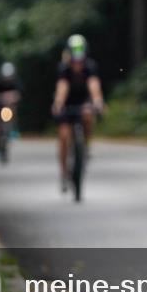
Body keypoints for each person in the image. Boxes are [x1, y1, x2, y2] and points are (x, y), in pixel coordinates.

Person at [51, 34, 105, 191]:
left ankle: (86, 146)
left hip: (83, 103)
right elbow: (62, 87)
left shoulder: (90, 66)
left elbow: (94, 86)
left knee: (88, 116)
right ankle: (63, 172)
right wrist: (58, 103)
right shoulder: (63, 68)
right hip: (67, 104)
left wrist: (97, 101)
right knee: (63, 136)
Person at [0, 62, 21, 156]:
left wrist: (10, 97)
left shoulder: (15, 81)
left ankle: (13, 127)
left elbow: (17, 95)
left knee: (13, 108)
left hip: (8, 106)